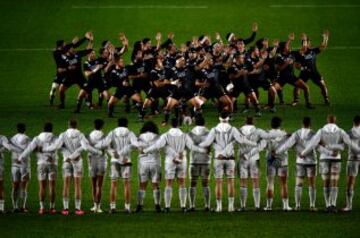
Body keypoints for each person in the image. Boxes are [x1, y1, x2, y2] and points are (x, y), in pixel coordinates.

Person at [143, 118, 206, 212]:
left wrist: (145, 150)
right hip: (182, 161)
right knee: (182, 183)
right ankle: (183, 206)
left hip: (170, 161)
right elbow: (192, 147)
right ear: (179, 124)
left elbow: (157, 146)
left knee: (169, 183)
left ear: (170, 124)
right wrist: (202, 150)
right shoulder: (184, 135)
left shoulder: (166, 135)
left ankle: (167, 207)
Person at [199, 112, 257, 212]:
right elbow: (242, 140)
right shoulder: (233, 129)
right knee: (231, 182)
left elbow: (207, 143)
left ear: (219, 118)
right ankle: (231, 207)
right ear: (228, 118)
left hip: (218, 159)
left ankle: (219, 207)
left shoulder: (214, 129)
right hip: (230, 159)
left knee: (218, 183)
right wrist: (253, 143)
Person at [300, 115, 360, 212]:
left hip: (324, 159)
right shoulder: (340, 131)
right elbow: (348, 144)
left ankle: (328, 205)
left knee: (326, 182)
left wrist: (303, 153)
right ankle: (333, 204)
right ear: (335, 121)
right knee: (334, 182)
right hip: (336, 159)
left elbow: (313, 144)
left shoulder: (321, 131)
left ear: (327, 121)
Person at [42, 119, 102, 215]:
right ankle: (78, 209)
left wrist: (45, 149)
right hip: (78, 162)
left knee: (66, 185)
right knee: (77, 185)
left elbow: (57, 146)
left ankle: (65, 209)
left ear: (68, 125)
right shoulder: (80, 135)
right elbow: (86, 147)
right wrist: (97, 152)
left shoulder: (63, 134)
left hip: (66, 161)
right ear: (76, 125)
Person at [94, 117, 137, 213]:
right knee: (127, 184)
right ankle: (127, 207)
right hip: (127, 161)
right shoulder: (130, 133)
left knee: (113, 184)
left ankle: (112, 207)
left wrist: (113, 153)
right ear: (127, 124)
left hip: (114, 161)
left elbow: (105, 144)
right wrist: (127, 151)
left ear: (118, 124)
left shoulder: (112, 133)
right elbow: (135, 145)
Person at [276, 117, 318, 211]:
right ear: (310, 124)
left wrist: (278, 151)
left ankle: (297, 206)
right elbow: (316, 146)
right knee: (312, 184)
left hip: (300, 162)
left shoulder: (297, 133)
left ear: (302, 124)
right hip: (312, 162)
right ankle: (312, 206)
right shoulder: (314, 134)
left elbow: (287, 145)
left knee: (298, 184)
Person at [18, 123, 58, 215]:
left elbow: (29, 149)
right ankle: (52, 208)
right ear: (51, 129)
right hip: (52, 164)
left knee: (42, 187)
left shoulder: (37, 138)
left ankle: (42, 208)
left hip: (41, 164)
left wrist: (20, 157)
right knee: (52, 187)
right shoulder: (55, 138)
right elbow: (56, 147)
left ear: (43, 129)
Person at [237, 117, 269, 211]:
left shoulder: (238, 131)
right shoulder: (258, 131)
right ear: (253, 122)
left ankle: (243, 206)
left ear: (245, 122)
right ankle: (257, 206)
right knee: (255, 180)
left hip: (242, 158)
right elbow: (265, 141)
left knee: (243, 182)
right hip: (255, 158)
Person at [263, 117, 292, 211]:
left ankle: (269, 206)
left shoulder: (267, 134)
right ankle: (286, 206)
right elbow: (288, 146)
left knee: (270, 183)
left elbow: (264, 147)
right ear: (280, 124)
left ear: (271, 124)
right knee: (284, 183)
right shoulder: (284, 133)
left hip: (271, 161)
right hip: (283, 161)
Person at [293, 31, 330, 105]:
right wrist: (303, 68)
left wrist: (325, 38)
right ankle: (296, 101)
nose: (308, 44)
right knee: (297, 86)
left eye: (308, 42)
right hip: (304, 73)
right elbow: (296, 65)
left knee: (322, 85)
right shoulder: (298, 53)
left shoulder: (313, 51)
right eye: (306, 42)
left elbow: (323, 46)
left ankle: (326, 99)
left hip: (314, 72)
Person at [134, 121, 162, 213]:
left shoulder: (140, 137)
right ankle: (157, 205)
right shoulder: (158, 137)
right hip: (155, 163)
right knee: (155, 185)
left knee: (142, 185)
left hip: (143, 163)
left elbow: (138, 149)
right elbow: (160, 148)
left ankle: (139, 205)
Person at [187, 115, 211, 211]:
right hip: (206, 161)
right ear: (204, 123)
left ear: (195, 122)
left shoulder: (190, 133)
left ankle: (192, 206)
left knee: (193, 183)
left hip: (194, 161)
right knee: (205, 183)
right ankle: (207, 206)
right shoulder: (209, 133)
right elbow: (209, 148)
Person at [8, 123, 31, 213]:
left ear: (17, 129)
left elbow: (9, 148)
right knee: (24, 186)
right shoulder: (27, 138)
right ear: (25, 129)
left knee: (15, 186)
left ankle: (15, 206)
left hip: (14, 165)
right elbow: (29, 150)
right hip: (24, 165)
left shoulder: (12, 138)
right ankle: (23, 207)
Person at [87, 119, 107, 213]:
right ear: (102, 126)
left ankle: (94, 206)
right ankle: (98, 207)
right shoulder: (104, 136)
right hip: (102, 161)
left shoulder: (90, 135)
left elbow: (87, 147)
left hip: (92, 161)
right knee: (100, 185)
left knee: (94, 185)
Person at [343, 115, 360, 211]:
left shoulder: (349, 132)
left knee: (350, 182)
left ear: (353, 122)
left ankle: (348, 206)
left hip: (353, 159)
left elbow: (342, 144)